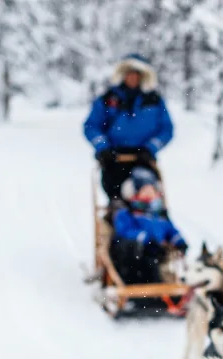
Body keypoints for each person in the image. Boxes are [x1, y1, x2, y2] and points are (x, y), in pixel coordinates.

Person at [84, 54, 174, 201]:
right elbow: (91, 126)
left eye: (137, 74)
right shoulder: (108, 99)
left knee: (147, 192)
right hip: (114, 157)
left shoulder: (154, 100)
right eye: (129, 73)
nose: (133, 77)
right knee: (117, 195)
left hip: (144, 157)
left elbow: (166, 129)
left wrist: (151, 147)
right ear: (123, 74)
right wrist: (102, 147)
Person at [110, 167, 187, 284]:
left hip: (157, 253)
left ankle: (165, 286)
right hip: (134, 254)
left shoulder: (160, 215)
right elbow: (124, 231)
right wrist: (145, 239)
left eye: (151, 190)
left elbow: (170, 230)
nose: (149, 193)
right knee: (136, 253)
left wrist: (179, 242)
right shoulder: (126, 213)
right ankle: (135, 287)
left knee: (162, 262)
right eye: (144, 190)